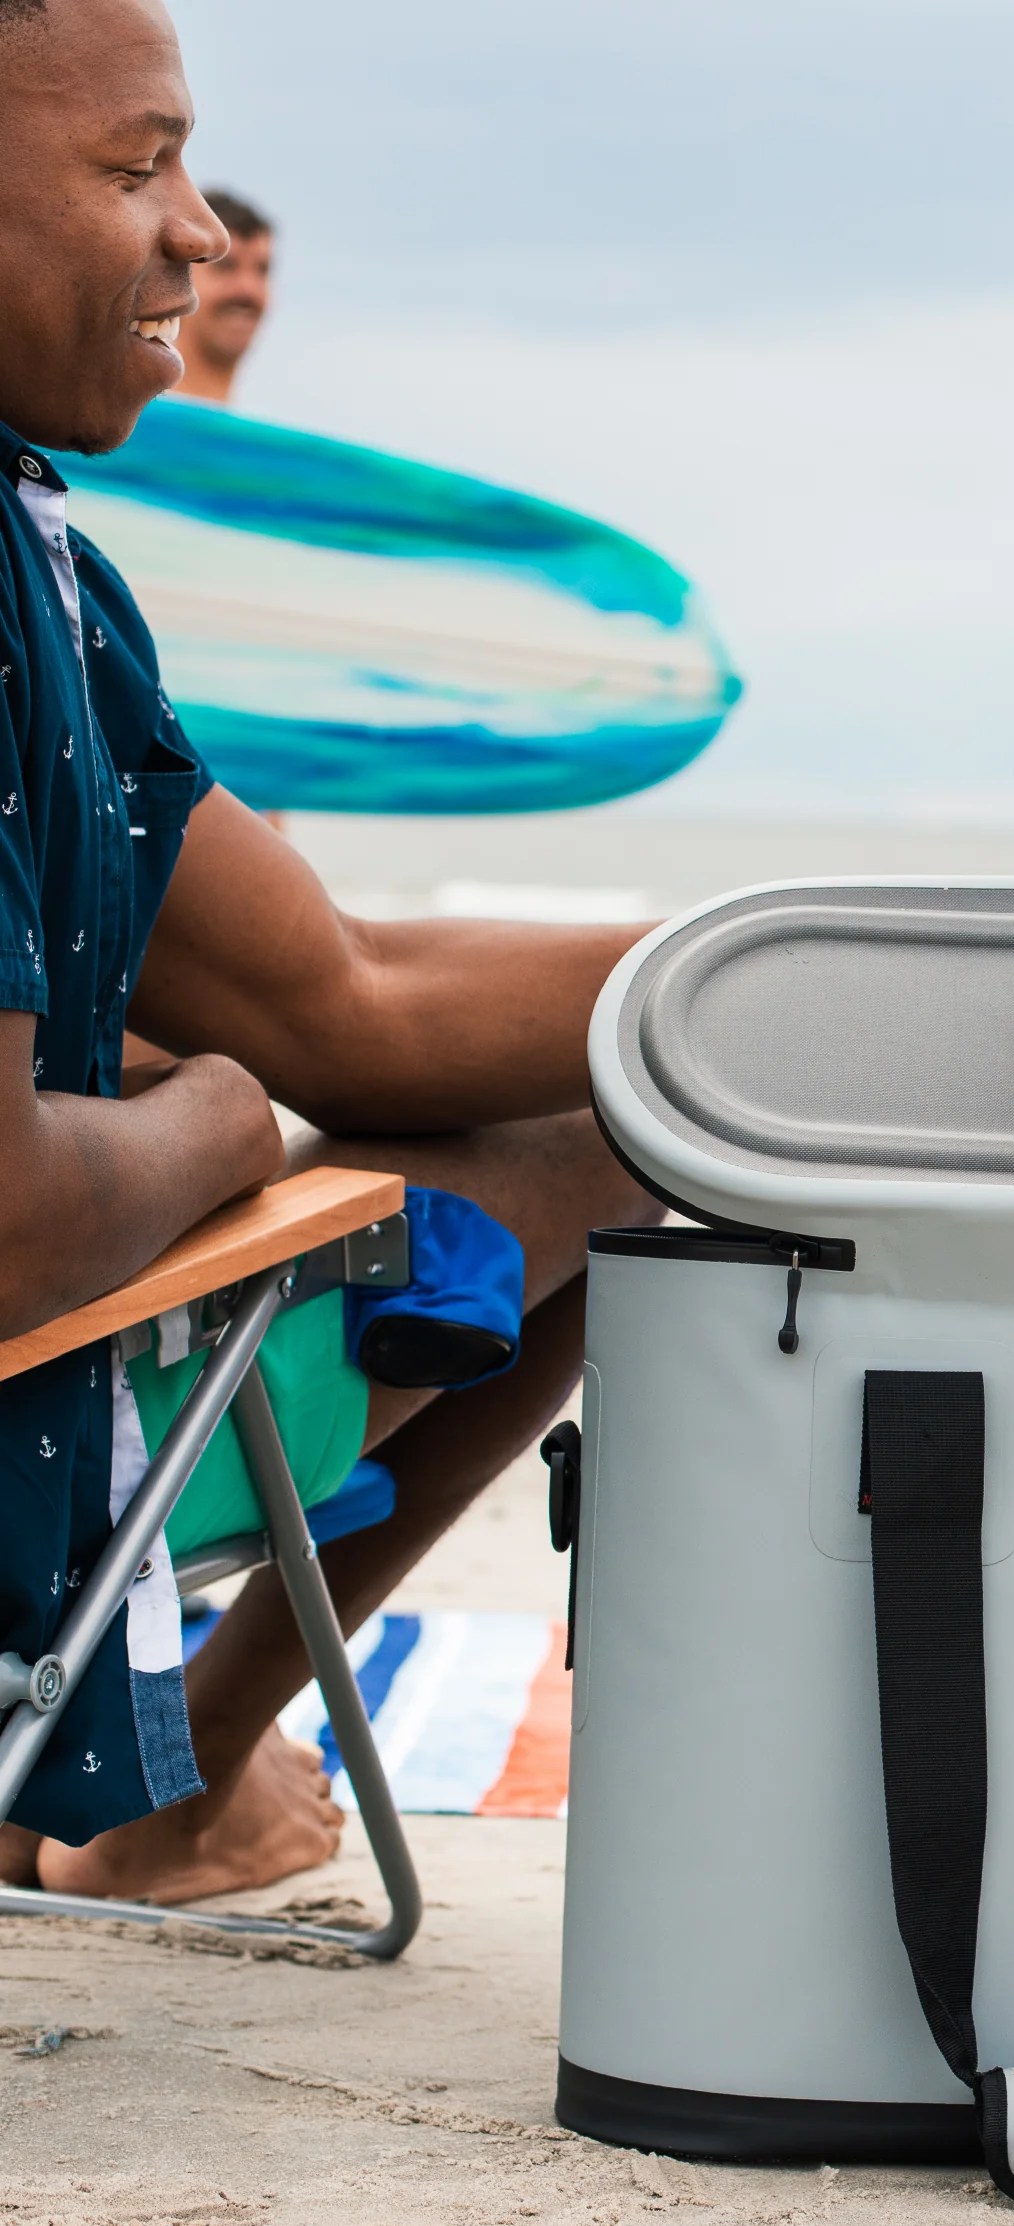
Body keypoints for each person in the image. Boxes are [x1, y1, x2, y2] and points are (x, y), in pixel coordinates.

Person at [0, 0, 663, 1905]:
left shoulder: (49, 575)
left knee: (632, 1096)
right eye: (138, 167)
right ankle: (169, 1787)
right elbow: (13, 1226)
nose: (199, 231)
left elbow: (352, 998)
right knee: (606, 1154)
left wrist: (776, 974)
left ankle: (156, 1782)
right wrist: (216, 1117)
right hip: (28, 1441)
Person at [172, 187, 269, 405]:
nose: (248, 289)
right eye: (226, 266)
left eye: (263, 269)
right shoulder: (127, 420)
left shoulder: (255, 423)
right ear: (175, 277)